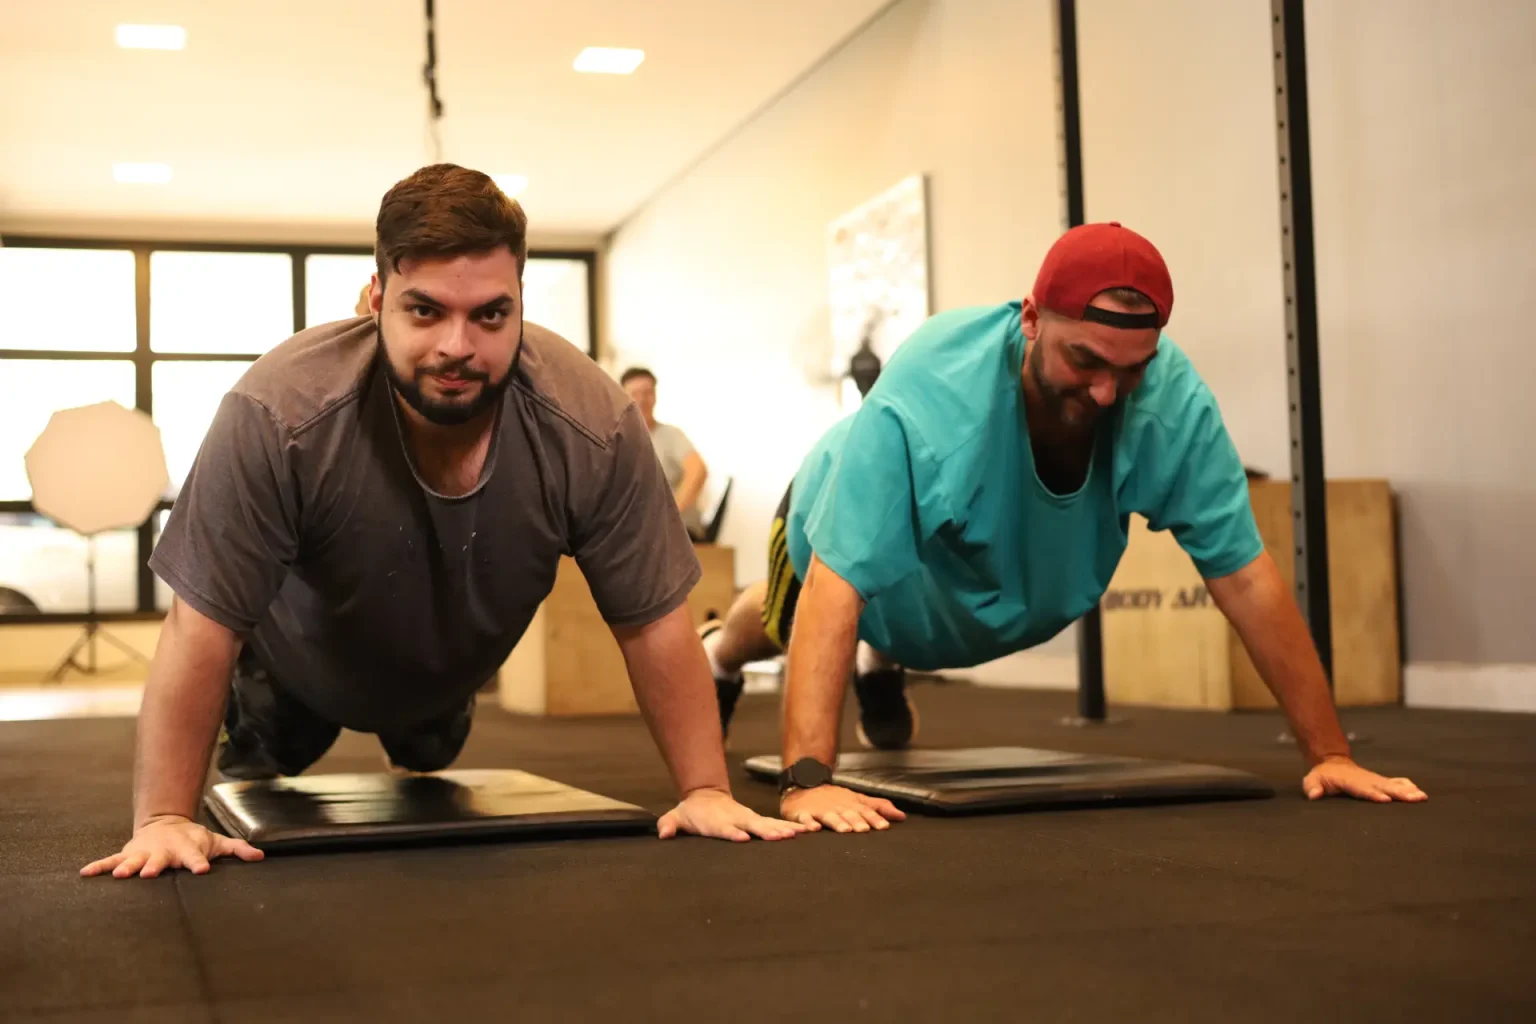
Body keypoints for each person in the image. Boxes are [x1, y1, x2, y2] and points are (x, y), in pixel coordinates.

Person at [82, 164, 801, 881]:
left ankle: (418, 728)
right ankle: (262, 732)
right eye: (425, 311)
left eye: (490, 314)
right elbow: (201, 621)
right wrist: (165, 818)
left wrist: (706, 789)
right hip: (295, 665)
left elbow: (653, 623)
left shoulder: (592, 426)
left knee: (429, 758)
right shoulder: (280, 415)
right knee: (257, 770)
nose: (458, 346)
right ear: (375, 301)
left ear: (520, 303)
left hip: (442, 675)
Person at [701, 221, 1428, 834]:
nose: (1107, 391)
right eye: (1084, 360)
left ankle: (879, 660)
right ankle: (721, 656)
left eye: (1131, 369)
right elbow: (837, 581)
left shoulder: (1171, 404)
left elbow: (1243, 575)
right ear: (1030, 319)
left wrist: (1329, 753)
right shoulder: (932, 394)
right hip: (831, 518)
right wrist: (806, 779)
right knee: (782, 613)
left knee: (892, 602)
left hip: (952, 582)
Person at [619, 367, 710, 536]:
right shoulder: (617, 440)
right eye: (635, 393)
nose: (642, 399)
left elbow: (698, 471)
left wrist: (669, 513)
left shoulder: (670, 435)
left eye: (648, 393)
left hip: (676, 532)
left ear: (655, 396)